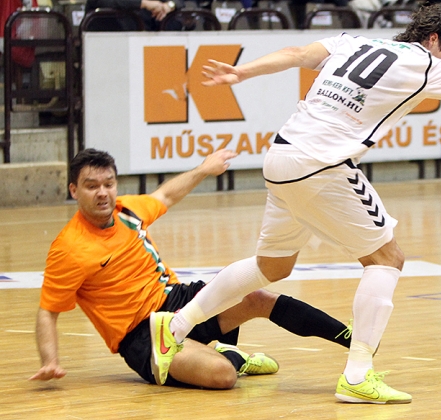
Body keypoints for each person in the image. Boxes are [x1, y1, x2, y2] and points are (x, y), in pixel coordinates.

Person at [154, 1, 441, 404]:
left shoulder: (352, 43)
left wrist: (242, 71)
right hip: (321, 165)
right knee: (387, 259)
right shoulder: (425, 63)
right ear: (432, 40)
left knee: (272, 265)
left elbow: (294, 55)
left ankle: (175, 327)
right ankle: (358, 375)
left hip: (282, 157)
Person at [31, 148, 353, 389]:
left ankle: (353, 339)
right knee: (223, 377)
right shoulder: (68, 248)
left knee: (257, 297)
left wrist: (203, 168)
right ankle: (230, 358)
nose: (102, 192)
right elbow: (48, 311)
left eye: (108, 183)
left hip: (179, 301)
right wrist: (50, 361)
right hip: (142, 336)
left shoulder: (127, 209)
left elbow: (167, 194)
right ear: (74, 190)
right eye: (91, 186)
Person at [86, 0, 183, 31]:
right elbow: (109, 1)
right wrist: (143, 3)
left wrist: (168, 6)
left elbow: (176, 0)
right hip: (108, 43)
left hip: (140, 44)